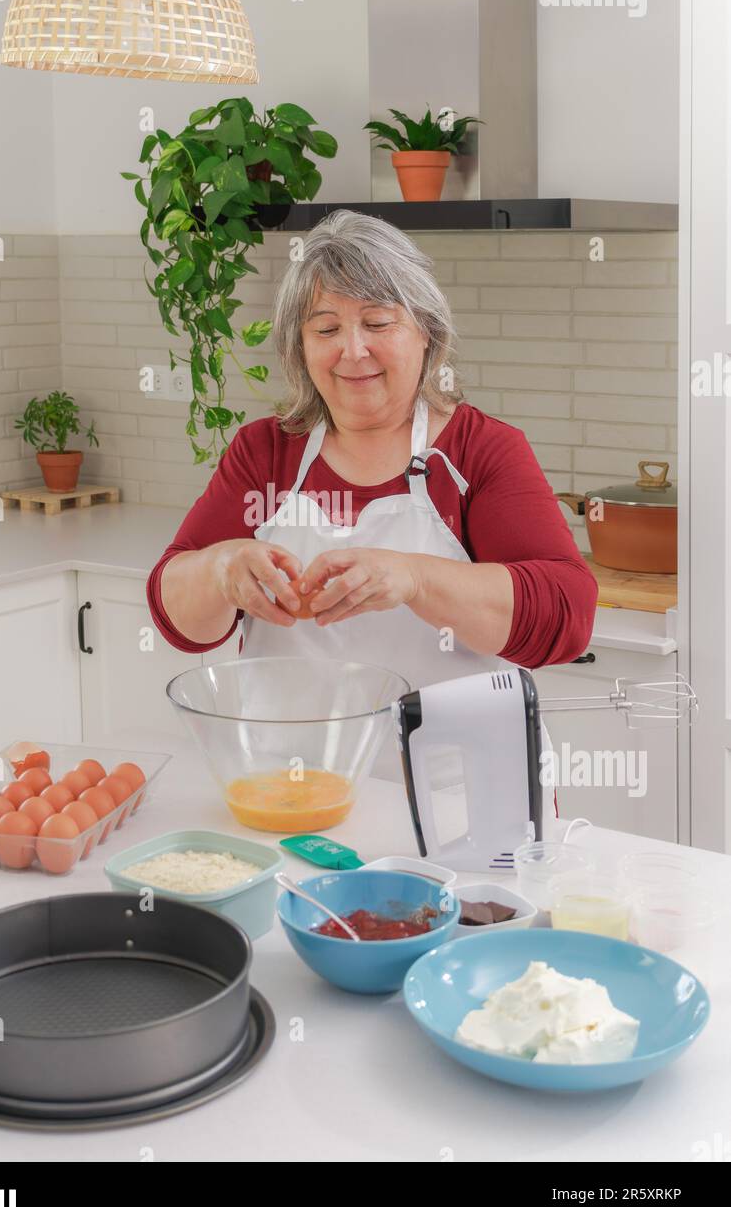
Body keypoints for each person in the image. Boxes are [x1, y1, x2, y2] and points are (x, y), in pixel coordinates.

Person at [148, 210, 598, 812]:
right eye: (325, 328)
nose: (352, 350)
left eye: (378, 322)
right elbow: (178, 616)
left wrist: (413, 578)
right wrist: (221, 569)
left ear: (425, 334)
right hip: (291, 796)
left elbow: (567, 615)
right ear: (299, 346)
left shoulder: (479, 452)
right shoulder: (266, 453)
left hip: (458, 804)